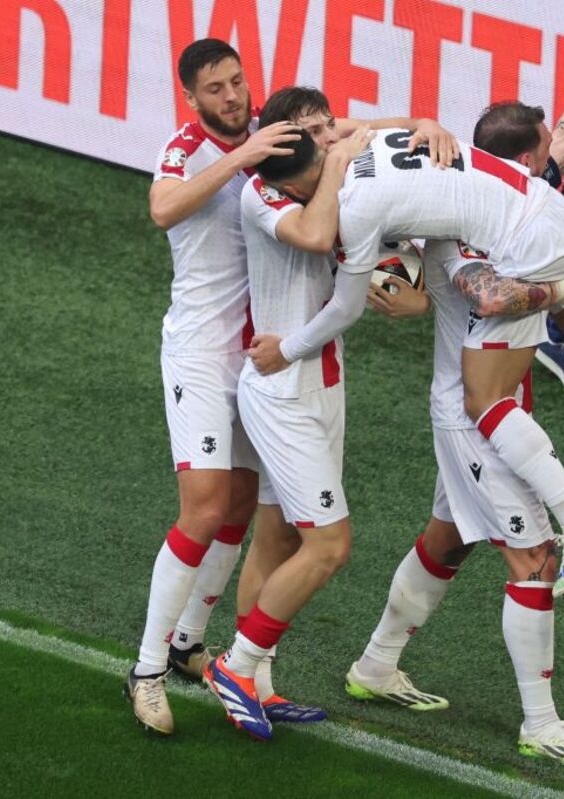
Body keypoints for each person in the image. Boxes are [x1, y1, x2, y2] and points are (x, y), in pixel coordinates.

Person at [251, 90, 564, 599]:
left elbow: (345, 308)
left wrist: (288, 349)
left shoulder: (354, 203)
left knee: (483, 398)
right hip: (548, 209)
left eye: (297, 193)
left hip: (523, 246)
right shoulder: (370, 136)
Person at [195, 87, 457, 740]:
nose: (330, 136)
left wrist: (424, 123)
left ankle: (257, 683)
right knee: (329, 546)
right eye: (312, 131)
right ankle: (235, 664)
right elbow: (315, 235)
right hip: (282, 388)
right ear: (283, 140)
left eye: (327, 126)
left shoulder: (327, 150)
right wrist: (344, 162)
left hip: (321, 381)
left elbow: (379, 127)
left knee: (279, 536)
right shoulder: (265, 190)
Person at [346, 237, 564, 767]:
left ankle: (376, 665)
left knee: (447, 541)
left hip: (493, 417)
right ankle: (540, 723)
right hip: (478, 426)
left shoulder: (505, 222)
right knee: (534, 561)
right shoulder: (462, 233)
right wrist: (563, 285)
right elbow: (491, 299)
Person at [125, 38, 304, 736]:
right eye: (217, 89)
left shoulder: (272, 129)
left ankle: (186, 643)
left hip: (258, 360)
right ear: (193, 99)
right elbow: (163, 209)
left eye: (237, 82)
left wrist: (425, 127)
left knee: (239, 504)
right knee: (202, 508)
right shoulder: (184, 148)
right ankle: (143, 670)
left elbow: (337, 132)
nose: (233, 97)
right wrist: (239, 158)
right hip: (200, 354)